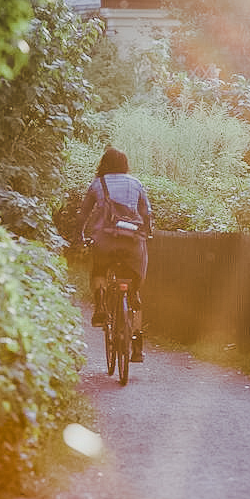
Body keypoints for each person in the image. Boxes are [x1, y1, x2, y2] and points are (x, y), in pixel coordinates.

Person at [77, 147, 152, 362]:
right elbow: (146, 212)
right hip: (132, 242)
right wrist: (147, 231)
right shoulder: (135, 183)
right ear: (125, 164)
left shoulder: (97, 184)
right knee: (135, 295)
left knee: (99, 270)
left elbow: (83, 213)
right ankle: (137, 348)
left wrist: (79, 236)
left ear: (103, 164)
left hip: (105, 241)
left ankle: (100, 303)